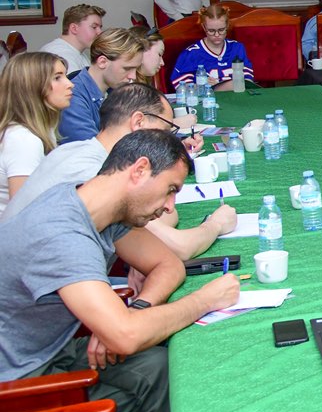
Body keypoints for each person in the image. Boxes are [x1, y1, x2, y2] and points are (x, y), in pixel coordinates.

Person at [0, 129, 240, 412]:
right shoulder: (60, 232)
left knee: (154, 372)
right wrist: (203, 302)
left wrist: (137, 307)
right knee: (158, 383)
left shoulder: (91, 204)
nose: (169, 208)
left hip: (45, 359)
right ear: (139, 171)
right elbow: (126, 337)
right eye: (169, 190)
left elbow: (167, 265)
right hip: (18, 392)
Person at [3, 84, 235, 261]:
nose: (168, 140)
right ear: (138, 122)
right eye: (165, 130)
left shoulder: (78, 150)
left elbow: (163, 219)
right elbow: (179, 247)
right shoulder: (97, 174)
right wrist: (215, 224)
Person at [0, 52, 74, 216]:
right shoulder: (24, 139)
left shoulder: (38, 131)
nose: (70, 84)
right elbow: (22, 213)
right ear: (32, 86)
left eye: (65, 76)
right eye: (57, 78)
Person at [59, 28, 149, 143]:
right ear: (102, 62)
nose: (133, 76)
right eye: (127, 68)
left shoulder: (115, 91)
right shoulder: (73, 97)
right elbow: (92, 150)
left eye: (136, 69)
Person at [169, 4, 254, 87]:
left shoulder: (237, 48)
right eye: (211, 30)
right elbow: (181, 86)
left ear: (227, 26)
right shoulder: (191, 53)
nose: (217, 35)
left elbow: (248, 80)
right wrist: (201, 86)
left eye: (221, 30)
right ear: (204, 27)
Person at [40, 2, 105, 75]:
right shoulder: (61, 54)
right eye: (94, 27)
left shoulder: (78, 52)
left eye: (100, 27)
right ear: (74, 28)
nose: (100, 32)